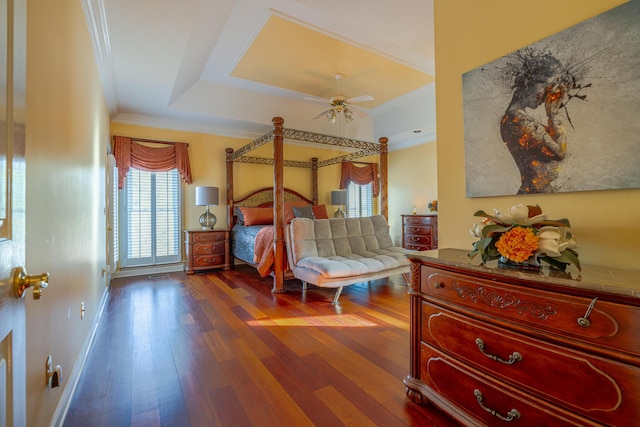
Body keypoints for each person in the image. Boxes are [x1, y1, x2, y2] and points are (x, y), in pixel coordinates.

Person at [500, 49, 571, 194]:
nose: (545, 93)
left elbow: (554, 141)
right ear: (529, 82)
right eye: (544, 84)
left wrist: (552, 110)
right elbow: (560, 152)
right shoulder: (516, 119)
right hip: (534, 193)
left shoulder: (519, 118)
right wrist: (553, 112)